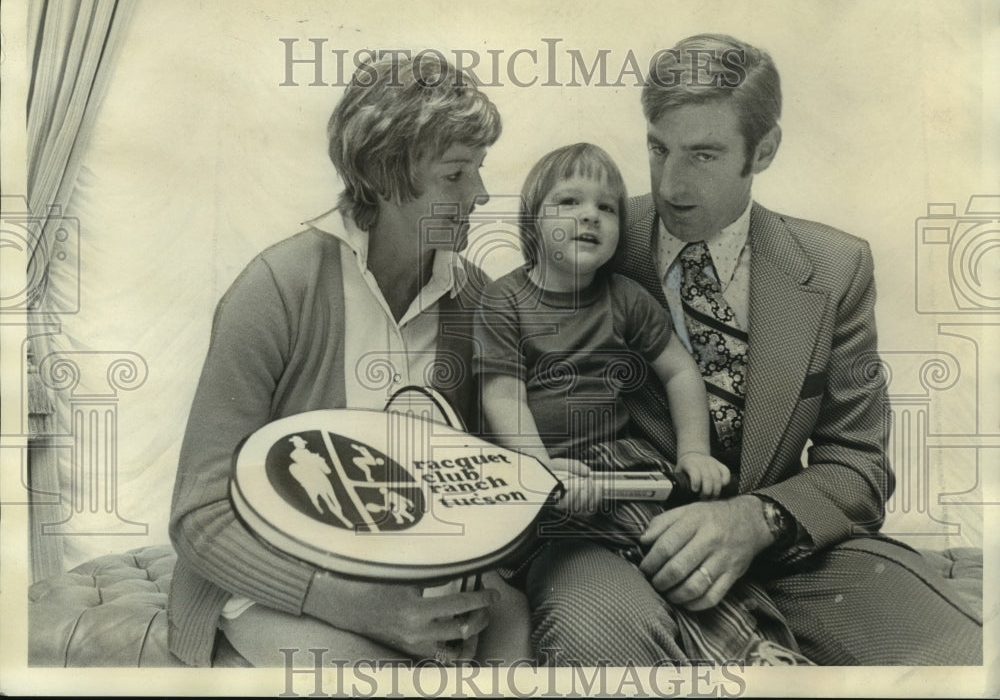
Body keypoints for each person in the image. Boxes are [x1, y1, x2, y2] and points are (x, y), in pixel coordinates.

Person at [524, 34, 984, 666]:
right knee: (596, 640)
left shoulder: (834, 268)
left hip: (791, 555)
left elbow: (860, 468)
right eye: (659, 149)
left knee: (961, 655)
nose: (671, 184)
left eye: (704, 155)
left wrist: (757, 519)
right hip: (612, 550)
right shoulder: (585, 239)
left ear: (763, 150)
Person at [168, 54, 531, 667]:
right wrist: (361, 609)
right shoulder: (277, 289)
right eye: (455, 174)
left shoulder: (473, 297)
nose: (481, 193)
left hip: (409, 580)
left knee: (518, 643)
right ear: (387, 179)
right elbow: (199, 515)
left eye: (478, 170)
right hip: (272, 585)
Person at [474, 142, 808, 664]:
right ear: (532, 221)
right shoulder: (504, 300)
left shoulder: (624, 296)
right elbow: (501, 390)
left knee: (676, 543)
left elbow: (679, 371)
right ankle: (746, 651)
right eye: (569, 202)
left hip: (621, 465)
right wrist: (539, 470)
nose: (590, 215)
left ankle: (756, 646)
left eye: (606, 207)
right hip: (542, 481)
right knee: (655, 545)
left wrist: (694, 452)